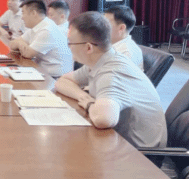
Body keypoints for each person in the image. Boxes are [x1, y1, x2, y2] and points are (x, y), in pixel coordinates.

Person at [55, 11, 166, 148]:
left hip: (139, 153)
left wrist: (89, 104)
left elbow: (104, 119)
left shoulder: (111, 72)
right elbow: (62, 82)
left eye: (70, 43)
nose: (69, 47)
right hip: (118, 139)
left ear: (88, 47)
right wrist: (82, 96)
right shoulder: (99, 60)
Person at [9, 0, 72, 77]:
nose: (22, 17)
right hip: (41, 71)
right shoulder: (37, 26)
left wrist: (19, 43)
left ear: (33, 13)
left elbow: (28, 54)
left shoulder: (47, 30)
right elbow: (12, 44)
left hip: (54, 78)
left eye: (23, 13)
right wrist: (20, 43)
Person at [104, 5, 144, 70]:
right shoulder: (111, 45)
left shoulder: (126, 53)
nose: (101, 27)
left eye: (106, 24)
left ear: (121, 28)